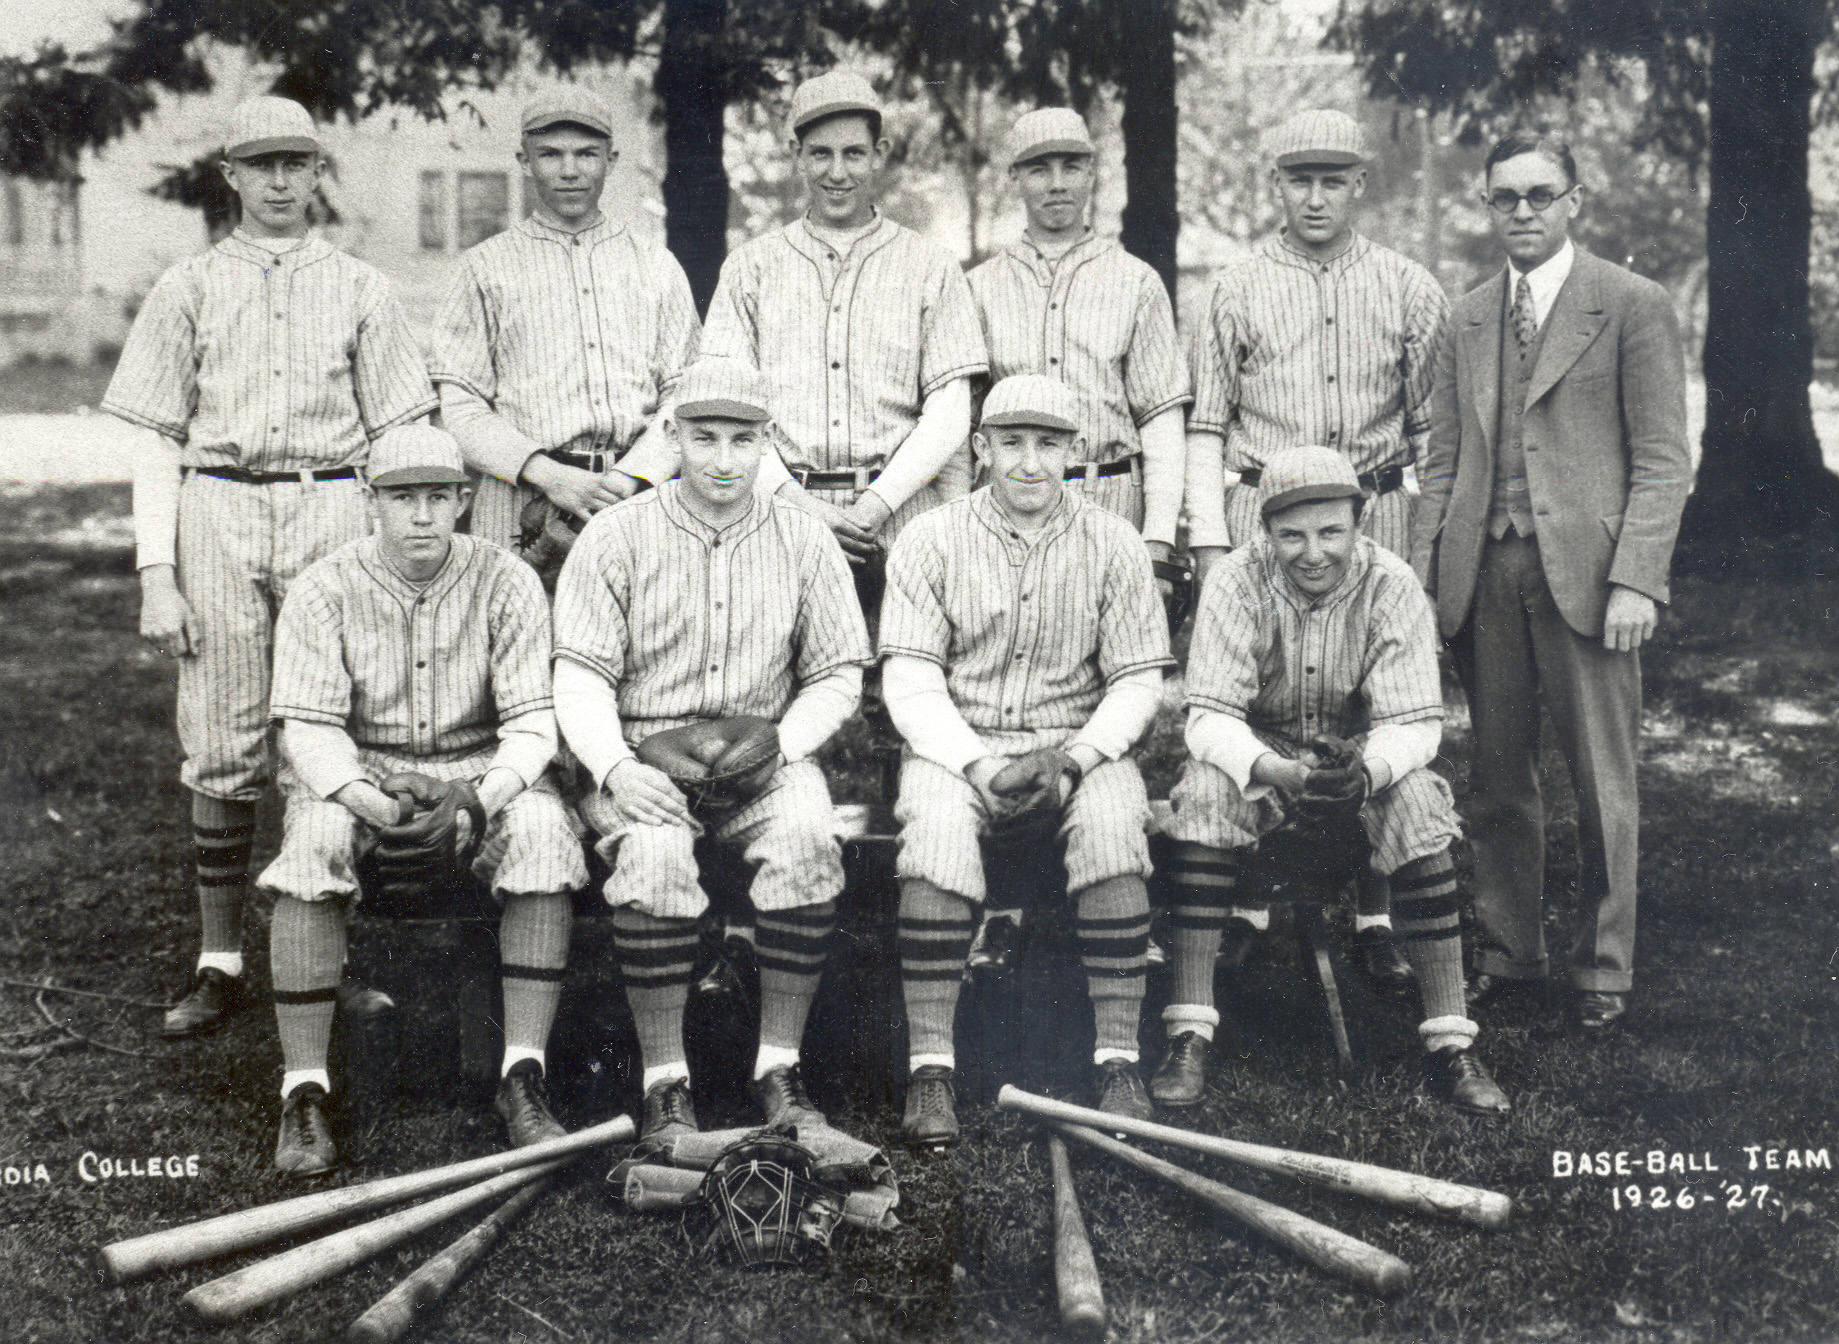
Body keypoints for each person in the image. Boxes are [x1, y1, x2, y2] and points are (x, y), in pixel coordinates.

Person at [104, 95, 438, 1038]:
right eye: (263, 165)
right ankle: (219, 959)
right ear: (234, 177)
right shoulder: (190, 285)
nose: (283, 182)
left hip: (334, 501)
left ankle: (333, 948)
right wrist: (155, 573)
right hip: (218, 501)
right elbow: (154, 440)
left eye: (298, 163)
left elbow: (403, 431)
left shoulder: (364, 288)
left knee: (334, 729)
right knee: (220, 736)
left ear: (316, 172)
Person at [551, 358, 870, 1154]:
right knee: (656, 856)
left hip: (764, 752)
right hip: (643, 758)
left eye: (743, 439)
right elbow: (580, 676)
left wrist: (782, 748)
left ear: (770, 443)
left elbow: (837, 671)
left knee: (805, 838)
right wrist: (619, 770)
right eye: (704, 438)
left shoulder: (802, 534)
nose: (724, 458)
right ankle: (667, 1078)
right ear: (670, 438)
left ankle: (779, 1068)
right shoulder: (615, 533)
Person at [1409, 131, 1690, 1032]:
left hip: (1592, 577)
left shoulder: (1631, 304)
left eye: (1539, 195)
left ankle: (1604, 967)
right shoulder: (1467, 315)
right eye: (1504, 199)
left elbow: (1661, 462)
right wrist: (1422, 580)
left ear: (1576, 201)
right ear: (1487, 207)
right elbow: (1444, 460)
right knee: (1496, 779)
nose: (1521, 213)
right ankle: (1510, 951)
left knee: (1602, 781)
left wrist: (1638, 580)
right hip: (1482, 570)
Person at [258, 425, 588, 1175]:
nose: (420, 516)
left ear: (464, 501)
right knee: (312, 846)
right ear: (371, 502)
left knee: (543, 832)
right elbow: (308, 730)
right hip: (361, 767)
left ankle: (522, 1074)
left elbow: (534, 722)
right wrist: (374, 806)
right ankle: (303, 1087)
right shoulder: (324, 585)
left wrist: (475, 799)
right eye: (401, 497)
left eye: (437, 496)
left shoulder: (506, 579)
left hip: (479, 766)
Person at [1154, 445, 1509, 1116]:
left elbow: (1417, 724)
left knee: (1420, 797)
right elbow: (1206, 719)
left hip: (1358, 758)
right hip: (1260, 758)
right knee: (1202, 788)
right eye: (1291, 534)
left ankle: (1451, 1040)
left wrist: (1368, 770)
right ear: (1266, 531)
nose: (1312, 551)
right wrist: (1273, 768)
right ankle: (1190, 1029)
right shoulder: (1234, 579)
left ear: (1359, 521)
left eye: (1330, 532)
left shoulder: (1394, 583)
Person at [1183, 108, 1450, 985]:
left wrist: (1424, 537)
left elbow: (1429, 428)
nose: (1316, 197)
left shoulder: (1410, 287)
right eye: (1299, 180)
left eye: (1333, 180)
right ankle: (1255, 896)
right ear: (1276, 187)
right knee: (1263, 696)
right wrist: (1214, 545)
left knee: (1372, 701)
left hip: (1373, 510)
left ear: (1360, 185)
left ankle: (1373, 911)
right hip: (1267, 512)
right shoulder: (1234, 287)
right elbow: (1209, 423)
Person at [882, 374, 1174, 1146]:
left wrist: (1076, 762)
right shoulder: (931, 536)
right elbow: (909, 680)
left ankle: (1118, 1058)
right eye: (1011, 443)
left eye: (1049, 445)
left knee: (1115, 824)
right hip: (960, 744)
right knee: (936, 835)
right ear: (981, 448)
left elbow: (1138, 679)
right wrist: (978, 767)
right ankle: (931, 1066)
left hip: (1076, 741)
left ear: (1075, 453)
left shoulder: (1114, 541)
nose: (1029, 463)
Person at [961, 106, 1191, 976]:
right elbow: (962, 418)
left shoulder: (1134, 280)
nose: (1056, 184)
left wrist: (1163, 531)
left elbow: (1162, 412)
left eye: (1072, 167)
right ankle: (1006, 900)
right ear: (1013, 180)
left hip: (1110, 491)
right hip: (1009, 501)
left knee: (1113, 693)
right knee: (1012, 683)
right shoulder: (978, 284)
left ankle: (1112, 887)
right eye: (1038, 169)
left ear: (1095, 175)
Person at [699, 69, 988, 574]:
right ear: (796, 155)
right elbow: (727, 409)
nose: (838, 172)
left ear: (879, 153)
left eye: (853, 153)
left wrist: (874, 506)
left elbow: (949, 414)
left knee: (899, 653)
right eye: (821, 153)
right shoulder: (751, 266)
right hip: (780, 513)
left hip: (900, 514)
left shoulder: (930, 266)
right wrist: (798, 502)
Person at [429, 85, 700, 561]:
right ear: (524, 160)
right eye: (550, 154)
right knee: (521, 631)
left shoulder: (655, 264)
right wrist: (548, 474)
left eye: (586, 154)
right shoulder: (484, 267)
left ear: (611, 160)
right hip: (522, 497)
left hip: (634, 492)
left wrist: (632, 475)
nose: (570, 170)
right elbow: (459, 404)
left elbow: (687, 394)